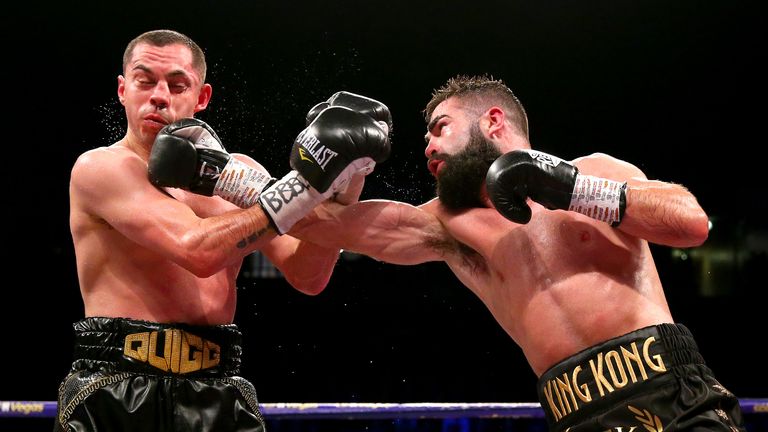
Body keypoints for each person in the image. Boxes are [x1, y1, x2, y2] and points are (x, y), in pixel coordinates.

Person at [289, 75, 746, 431]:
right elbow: (317, 225)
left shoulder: (594, 170)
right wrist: (344, 172)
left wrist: (570, 189)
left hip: (668, 388)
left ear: (492, 121)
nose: (427, 145)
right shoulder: (446, 224)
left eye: (440, 128)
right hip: (573, 412)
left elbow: (691, 223)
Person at [56, 29, 390, 432]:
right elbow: (197, 251)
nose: (160, 95)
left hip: (217, 386)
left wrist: (345, 181)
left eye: (178, 84)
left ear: (202, 97)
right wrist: (305, 184)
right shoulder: (100, 169)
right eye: (145, 81)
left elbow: (308, 275)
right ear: (123, 90)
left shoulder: (241, 171)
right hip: (117, 387)